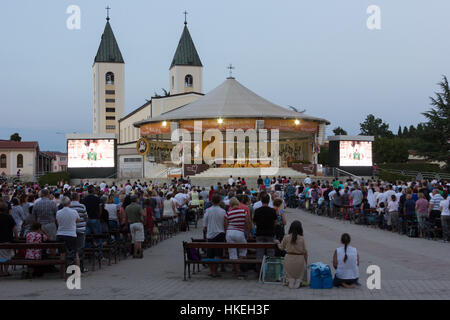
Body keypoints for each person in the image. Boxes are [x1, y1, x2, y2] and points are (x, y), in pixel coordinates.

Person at [275, 220, 308, 289]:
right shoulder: (302, 238)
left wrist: (278, 242)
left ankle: (290, 280)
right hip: (300, 259)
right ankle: (298, 281)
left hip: (289, 258)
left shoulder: (286, 237)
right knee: (299, 274)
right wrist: (306, 262)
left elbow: (281, 248)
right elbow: (305, 252)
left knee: (289, 274)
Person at [224, 197, 251, 278]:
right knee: (243, 250)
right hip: (239, 232)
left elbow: (226, 224)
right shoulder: (243, 211)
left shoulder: (228, 213)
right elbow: (248, 222)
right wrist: (248, 233)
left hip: (229, 233)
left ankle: (236, 271)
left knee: (232, 252)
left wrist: (227, 232)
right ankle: (238, 266)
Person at [202, 193, 226, 278]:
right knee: (218, 253)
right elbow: (225, 223)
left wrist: (205, 229)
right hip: (220, 233)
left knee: (210, 254)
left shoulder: (208, 210)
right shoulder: (223, 211)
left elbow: (204, 223)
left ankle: (211, 271)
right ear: (220, 201)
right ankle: (215, 271)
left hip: (210, 233)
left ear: (211, 201)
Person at [56, 196, 80, 266]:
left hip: (60, 234)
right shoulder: (74, 212)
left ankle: (62, 272)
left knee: (62, 254)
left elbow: (57, 222)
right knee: (75, 253)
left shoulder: (58, 212)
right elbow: (77, 220)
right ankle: (77, 270)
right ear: (69, 203)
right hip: (71, 234)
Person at [253, 193, 278, 260]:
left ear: (261, 200)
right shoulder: (272, 210)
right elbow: (275, 222)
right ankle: (270, 266)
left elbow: (254, 222)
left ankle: (259, 267)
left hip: (260, 233)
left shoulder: (257, 211)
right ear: (269, 200)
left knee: (260, 251)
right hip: (270, 233)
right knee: (270, 251)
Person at [70, 192, 88, 272]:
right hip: (81, 229)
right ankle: (80, 266)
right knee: (80, 248)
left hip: (71, 229)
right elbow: (86, 217)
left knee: (72, 248)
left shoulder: (69, 206)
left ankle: (72, 266)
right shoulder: (82, 206)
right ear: (78, 198)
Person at [0, 201, 18, 276]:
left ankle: (0, 271)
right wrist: (16, 237)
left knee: (0, 256)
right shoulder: (9, 217)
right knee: (6, 256)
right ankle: (6, 271)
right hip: (7, 238)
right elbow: (14, 228)